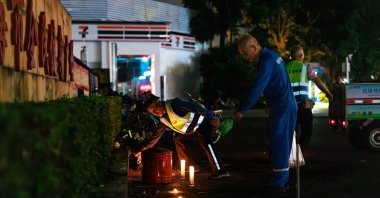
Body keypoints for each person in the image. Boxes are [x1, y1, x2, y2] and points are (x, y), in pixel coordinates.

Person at [233, 34, 297, 193]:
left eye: (245, 53)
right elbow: (277, 82)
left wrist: (242, 109)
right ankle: (282, 179)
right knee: (279, 141)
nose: (245, 57)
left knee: (279, 142)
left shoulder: (266, 59)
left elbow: (259, 87)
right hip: (284, 105)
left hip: (282, 106)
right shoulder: (272, 56)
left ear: (254, 47)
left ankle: (279, 182)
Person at [135, 93, 230, 179]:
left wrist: (211, 117)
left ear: (159, 103)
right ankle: (190, 166)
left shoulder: (175, 104)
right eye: (151, 112)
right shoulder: (163, 119)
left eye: (154, 109)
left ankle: (221, 171)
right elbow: (157, 135)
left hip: (203, 122)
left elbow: (196, 106)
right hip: (191, 129)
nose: (154, 112)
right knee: (178, 139)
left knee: (206, 143)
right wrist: (144, 149)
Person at [286, 45, 333, 149]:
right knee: (307, 130)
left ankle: (291, 154)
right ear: (301, 55)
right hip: (303, 106)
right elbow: (318, 82)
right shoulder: (306, 68)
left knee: (291, 132)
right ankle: (300, 150)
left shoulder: (284, 68)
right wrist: (328, 94)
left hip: (289, 106)